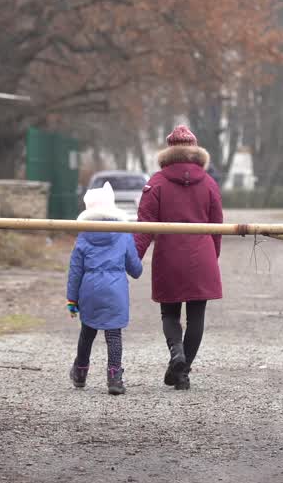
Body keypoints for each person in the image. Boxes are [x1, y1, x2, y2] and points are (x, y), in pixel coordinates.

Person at [135, 125, 223, 390]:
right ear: (195, 150)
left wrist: (132, 258)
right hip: (202, 256)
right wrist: (212, 255)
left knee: (170, 314)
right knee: (197, 317)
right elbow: (217, 223)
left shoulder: (157, 182)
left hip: (169, 257)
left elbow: (144, 226)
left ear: (169, 151)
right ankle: (183, 373)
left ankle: (177, 354)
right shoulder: (209, 183)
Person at [66, 182, 143, 396]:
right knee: (114, 336)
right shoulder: (123, 233)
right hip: (115, 290)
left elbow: (75, 270)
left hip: (89, 290)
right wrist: (137, 266)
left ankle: (80, 372)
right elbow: (135, 269)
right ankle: (114, 377)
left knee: (87, 333)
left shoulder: (83, 237)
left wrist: (72, 299)